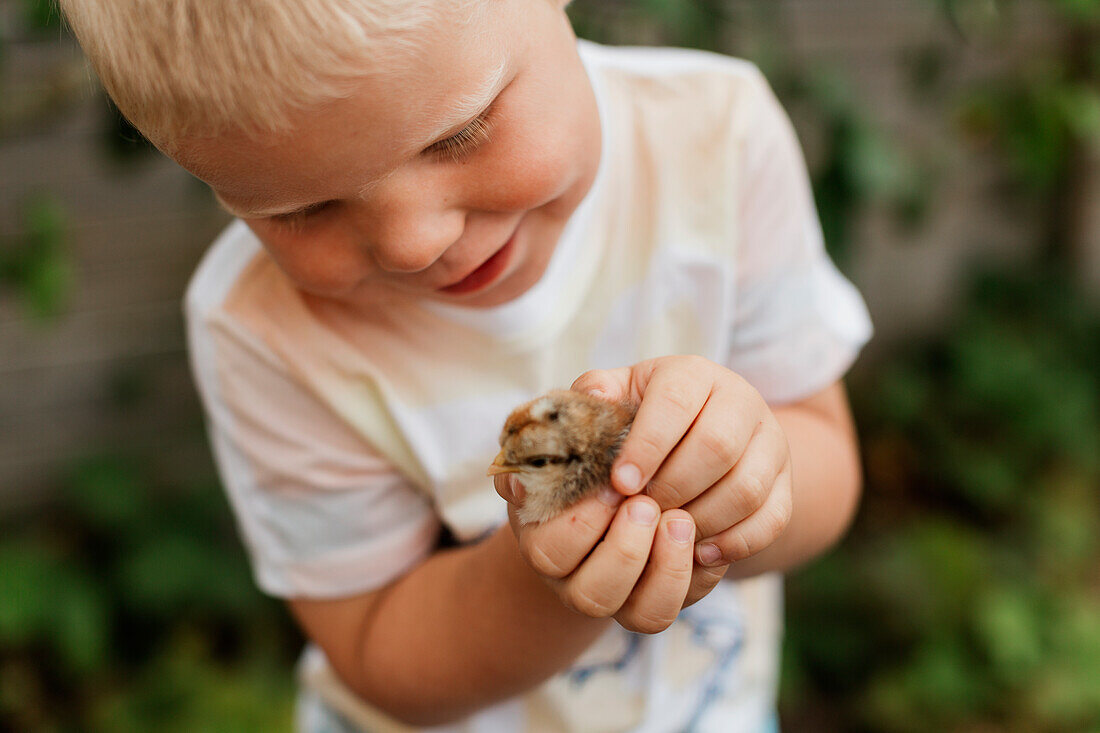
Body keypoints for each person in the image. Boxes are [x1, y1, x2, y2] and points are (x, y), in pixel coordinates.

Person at [58, 1, 873, 730]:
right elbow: (376, 647)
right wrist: (541, 575)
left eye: (458, 134)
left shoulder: (714, 138)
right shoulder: (260, 327)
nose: (416, 242)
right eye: (303, 209)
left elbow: (825, 468)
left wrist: (736, 474)